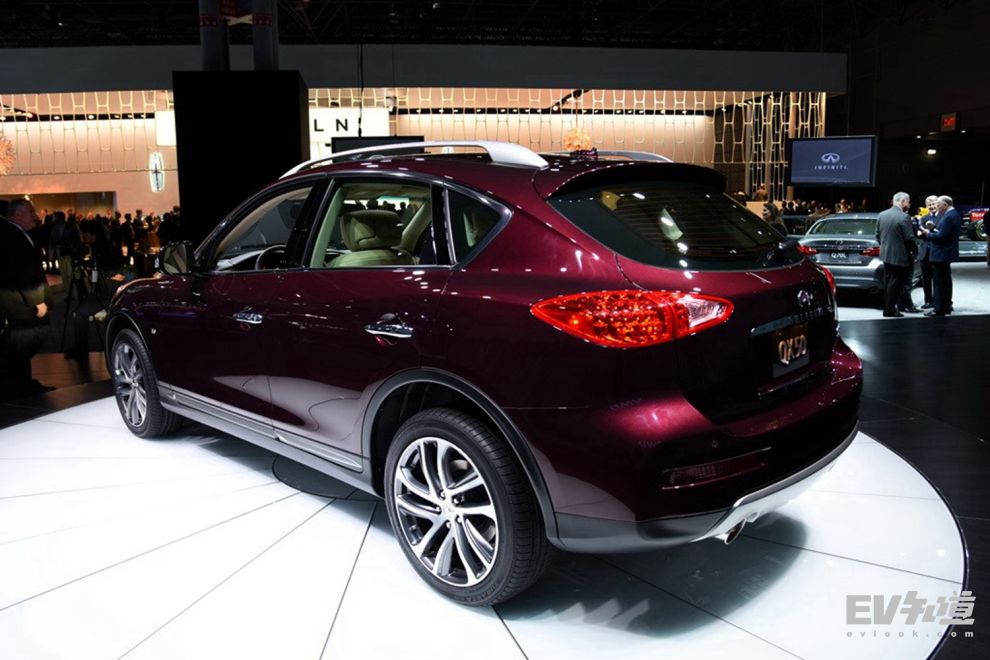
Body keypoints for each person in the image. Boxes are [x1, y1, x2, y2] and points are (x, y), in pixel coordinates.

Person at [0, 199, 54, 397]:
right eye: (31, 212)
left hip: (26, 300)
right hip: (22, 302)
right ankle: (18, 384)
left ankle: (21, 383)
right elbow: (18, 272)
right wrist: (35, 302)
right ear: (18, 214)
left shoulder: (19, 233)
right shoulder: (9, 235)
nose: (35, 216)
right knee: (23, 341)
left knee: (25, 341)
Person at [63, 220, 128, 359]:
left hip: (108, 293)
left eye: (84, 234)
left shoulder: (103, 249)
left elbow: (112, 272)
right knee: (81, 313)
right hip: (107, 292)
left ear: (93, 234)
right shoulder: (101, 246)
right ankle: (81, 348)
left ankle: (81, 349)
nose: (82, 236)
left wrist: (93, 267)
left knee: (81, 313)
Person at [920, 195, 961, 317]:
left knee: (939, 283)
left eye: (938, 204)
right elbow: (943, 233)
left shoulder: (948, 217)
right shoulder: (954, 214)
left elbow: (941, 236)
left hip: (941, 253)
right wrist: (934, 229)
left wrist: (927, 233)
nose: (936, 207)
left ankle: (938, 309)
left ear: (945, 205)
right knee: (945, 281)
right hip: (945, 253)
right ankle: (946, 306)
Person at [875, 192, 914, 317]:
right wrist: (914, 251)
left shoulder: (882, 214)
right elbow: (909, 239)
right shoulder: (904, 217)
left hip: (885, 254)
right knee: (896, 283)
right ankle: (890, 309)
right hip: (900, 255)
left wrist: (886, 247)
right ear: (902, 201)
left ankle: (888, 307)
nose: (909, 204)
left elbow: (877, 235)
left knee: (889, 282)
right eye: (908, 201)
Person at [915, 196, 939, 309]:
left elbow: (943, 233)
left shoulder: (943, 217)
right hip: (924, 253)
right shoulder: (924, 218)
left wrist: (930, 230)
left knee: (939, 280)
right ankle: (928, 301)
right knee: (926, 279)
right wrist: (920, 232)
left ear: (938, 204)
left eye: (933, 204)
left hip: (938, 253)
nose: (932, 206)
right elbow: (919, 233)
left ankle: (939, 301)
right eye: (929, 205)